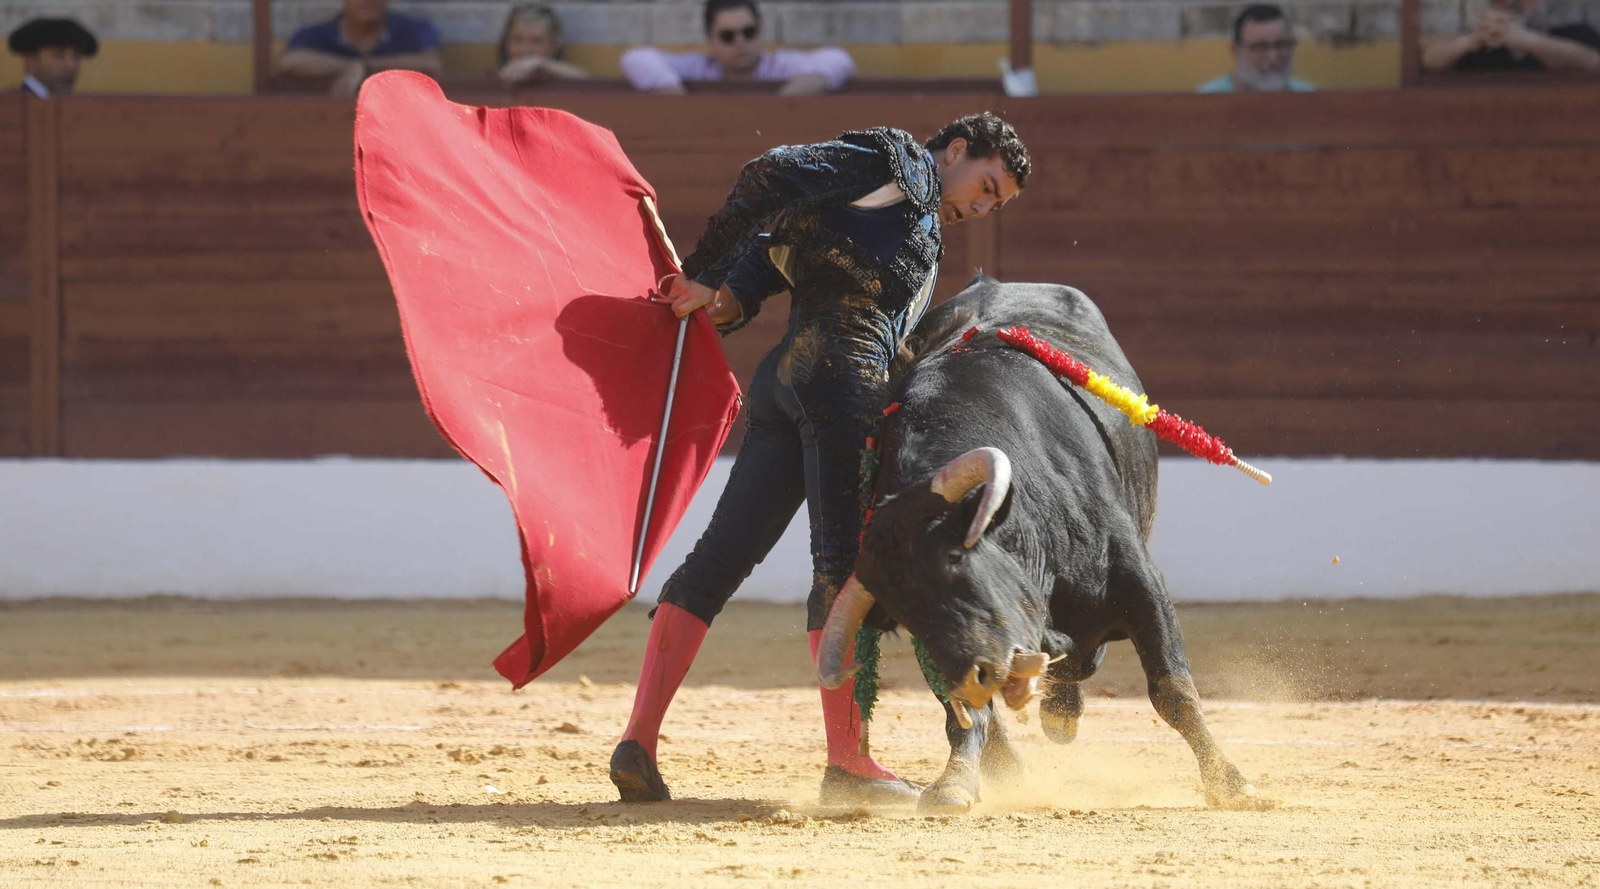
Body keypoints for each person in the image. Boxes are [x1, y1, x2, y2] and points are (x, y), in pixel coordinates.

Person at [609, 113, 1031, 806]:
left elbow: (785, 233)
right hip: (841, 384)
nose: (981, 209)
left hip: (788, 380)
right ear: (955, 149)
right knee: (841, 567)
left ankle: (638, 741)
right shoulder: (901, 166)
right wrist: (702, 272)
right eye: (984, 186)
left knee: (717, 558)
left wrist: (729, 296)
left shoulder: (907, 210)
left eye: (996, 204)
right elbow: (771, 173)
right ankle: (848, 760)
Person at [620, 0, 855, 95]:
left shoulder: (779, 66)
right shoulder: (699, 67)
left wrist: (783, 101)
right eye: (727, 36)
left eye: (748, 32)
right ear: (710, 39)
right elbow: (636, 58)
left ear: (760, 31)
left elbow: (839, 60)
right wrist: (677, 97)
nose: (740, 41)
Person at [277, 0, 444, 98]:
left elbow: (431, 64)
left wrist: (365, 67)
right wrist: (351, 67)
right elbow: (290, 62)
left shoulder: (414, 30)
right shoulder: (316, 34)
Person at [1422, 0, 1600, 72]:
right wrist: (1469, 41)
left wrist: (1529, 41)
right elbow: (1428, 60)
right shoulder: (1481, 42)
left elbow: (1593, 61)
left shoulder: (1571, 31)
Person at [1198, 5, 1316, 93]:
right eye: (1259, 47)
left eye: (1281, 45)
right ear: (1235, 50)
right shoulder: (1207, 100)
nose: (1273, 58)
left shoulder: (1310, 98)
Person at [496, 3, 588, 86]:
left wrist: (541, 64)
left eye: (536, 41)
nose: (525, 50)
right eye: (517, 40)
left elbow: (587, 83)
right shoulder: (493, 81)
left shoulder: (566, 78)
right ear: (506, 42)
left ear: (554, 45)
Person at [8, 17, 98, 97]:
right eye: (58, 55)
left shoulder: (78, 109)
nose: (70, 65)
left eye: (76, 56)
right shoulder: (10, 106)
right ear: (30, 60)